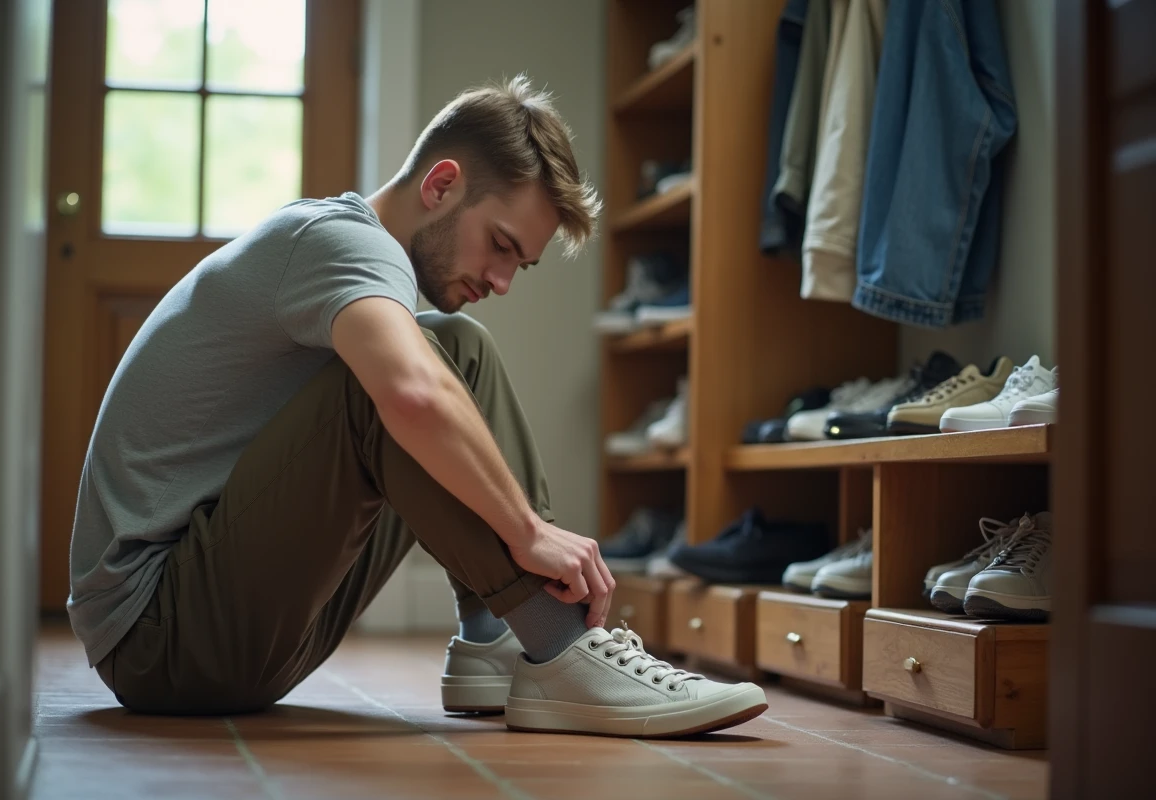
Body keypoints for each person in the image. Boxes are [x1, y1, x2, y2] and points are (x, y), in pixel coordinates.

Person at [67, 75, 768, 737]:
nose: (500, 279)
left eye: (517, 264)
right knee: (399, 385)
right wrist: (527, 531)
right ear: (441, 185)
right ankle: (563, 648)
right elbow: (406, 395)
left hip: (231, 628)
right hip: (157, 637)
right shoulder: (339, 241)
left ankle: (496, 642)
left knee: (454, 344)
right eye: (499, 245)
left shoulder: (359, 262)